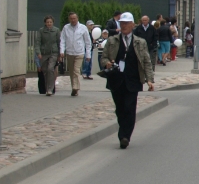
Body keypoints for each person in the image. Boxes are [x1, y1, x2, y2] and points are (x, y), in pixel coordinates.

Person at [100, 13, 155, 148]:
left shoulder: (140, 42)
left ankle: (124, 136)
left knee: (129, 108)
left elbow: (146, 61)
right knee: (120, 109)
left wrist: (149, 80)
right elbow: (103, 58)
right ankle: (123, 131)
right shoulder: (112, 41)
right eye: (122, 23)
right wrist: (107, 63)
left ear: (132, 25)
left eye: (126, 23)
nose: (123, 26)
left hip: (133, 79)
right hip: (116, 80)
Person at [59, 12, 90, 97]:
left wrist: (88, 55)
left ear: (77, 18)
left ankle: (75, 87)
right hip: (70, 52)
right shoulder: (66, 28)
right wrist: (62, 51)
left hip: (79, 52)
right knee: (72, 71)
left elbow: (88, 42)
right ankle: (74, 87)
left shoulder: (83, 28)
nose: (73, 20)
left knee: (76, 70)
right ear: (69, 19)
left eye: (74, 18)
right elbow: (63, 40)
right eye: (71, 19)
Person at [38, 16, 60, 96]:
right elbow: (38, 42)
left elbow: (59, 42)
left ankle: (50, 89)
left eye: (50, 22)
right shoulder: (41, 31)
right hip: (44, 53)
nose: (49, 24)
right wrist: (38, 52)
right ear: (45, 23)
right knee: (45, 71)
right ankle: (47, 88)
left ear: (53, 22)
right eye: (47, 22)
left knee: (50, 69)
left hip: (53, 52)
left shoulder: (56, 30)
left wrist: (60, 53)